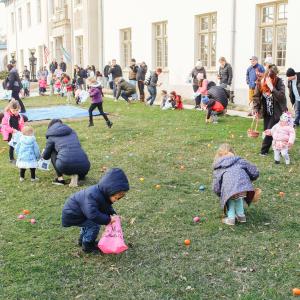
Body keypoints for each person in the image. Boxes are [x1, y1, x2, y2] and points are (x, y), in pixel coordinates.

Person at [61, 168, 130, 253]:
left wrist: (112, 213)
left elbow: (106, 206)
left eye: (118, 199)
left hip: (80, 213)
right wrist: (108, 220)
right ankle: (87, 245)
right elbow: (92, 214)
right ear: (109, 191)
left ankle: (82, 240)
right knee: (94, 225)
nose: (116, 200)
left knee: (88, 224)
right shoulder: (92, 195)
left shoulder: (103, 194)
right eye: (115, 198)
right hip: (73, 215)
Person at [212, 143, 259, 226]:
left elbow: (216, 183)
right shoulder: (240, 161)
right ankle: (241, 216)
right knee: (238, 199)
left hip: (229, 189)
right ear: (233, 152)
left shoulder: (219, 167)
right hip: (242, 187)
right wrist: (252, 177)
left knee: (230, 201)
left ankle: (231, 219)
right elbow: (254, 170)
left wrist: (218, 192)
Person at [42, 119, 90, 187]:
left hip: (65, 165)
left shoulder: (51, 136)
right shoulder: (72, 132)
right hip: (85, 166)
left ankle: (60, 179)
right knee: (75, 149)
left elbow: (46, 156)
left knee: (52, 151)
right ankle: (79, 176)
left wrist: (43, 154)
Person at [253, 64, 287, 156]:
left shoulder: (279, 82)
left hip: (277, 111)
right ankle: (279, 148)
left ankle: (264, 151)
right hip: (266, 112)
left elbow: (281, 97)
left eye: (272, 77)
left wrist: (272, 87)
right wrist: (256, 108)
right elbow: (256, 96)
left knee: (269, 131)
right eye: (268, 76)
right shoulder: (261, 82)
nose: (269, 79)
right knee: (270, 131)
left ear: (275, 76)